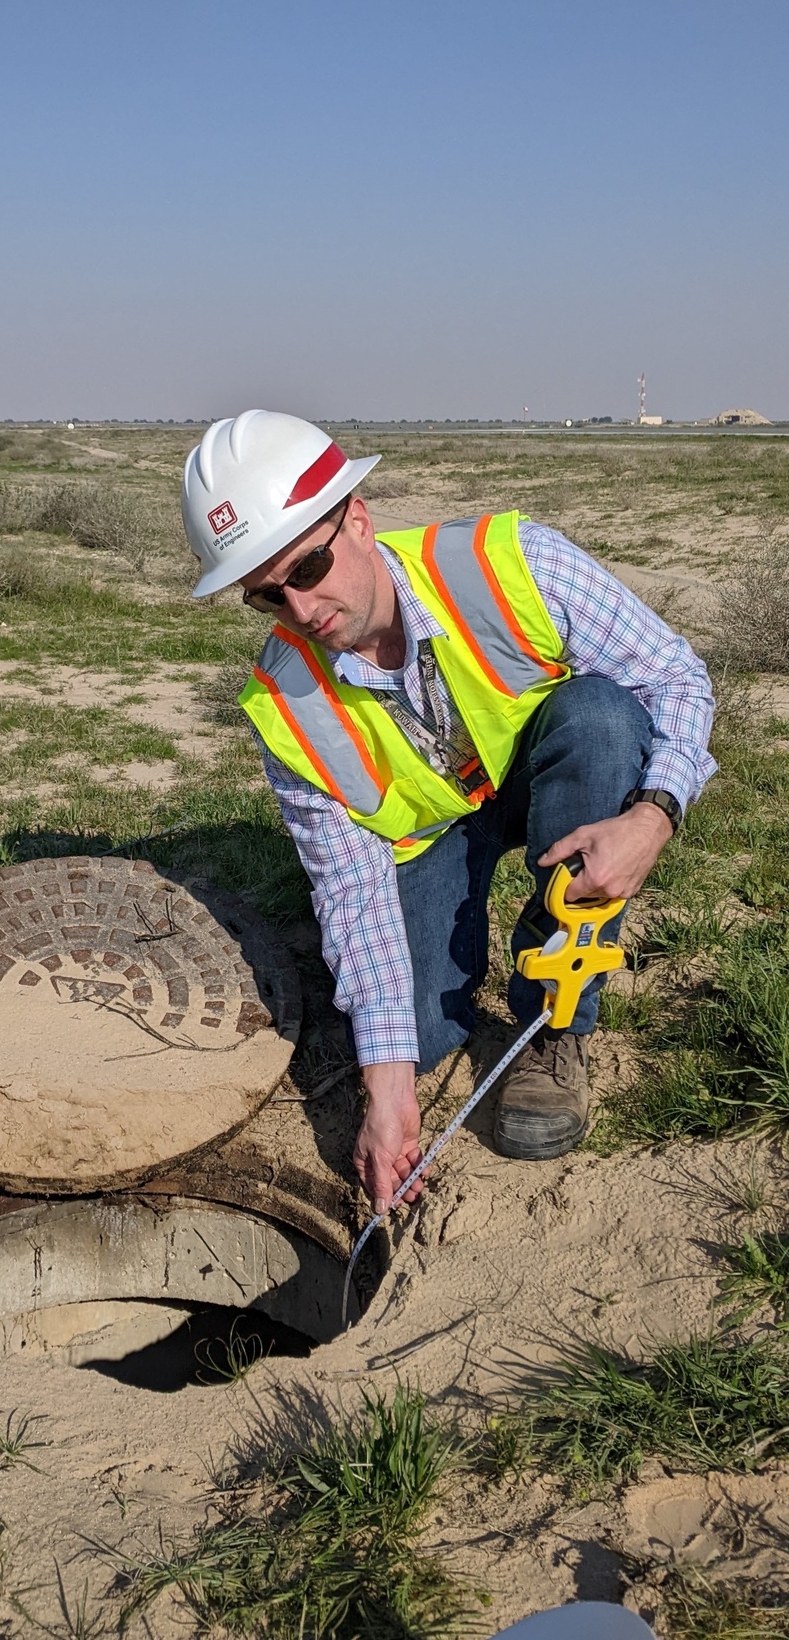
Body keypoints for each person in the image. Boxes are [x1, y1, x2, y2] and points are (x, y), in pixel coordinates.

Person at [181, 410, 715, 1213]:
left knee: (604, 719)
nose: (300, 606)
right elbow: (351, 890)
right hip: (431, 834)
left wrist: (653, 816)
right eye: (267, 595)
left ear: (357, 520)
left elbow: (677, 678)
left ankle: (554, 1028)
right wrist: (388, 1091)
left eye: (310, 564)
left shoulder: (513, 564)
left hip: (552, 774)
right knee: (419, 1039)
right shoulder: (285, 709)